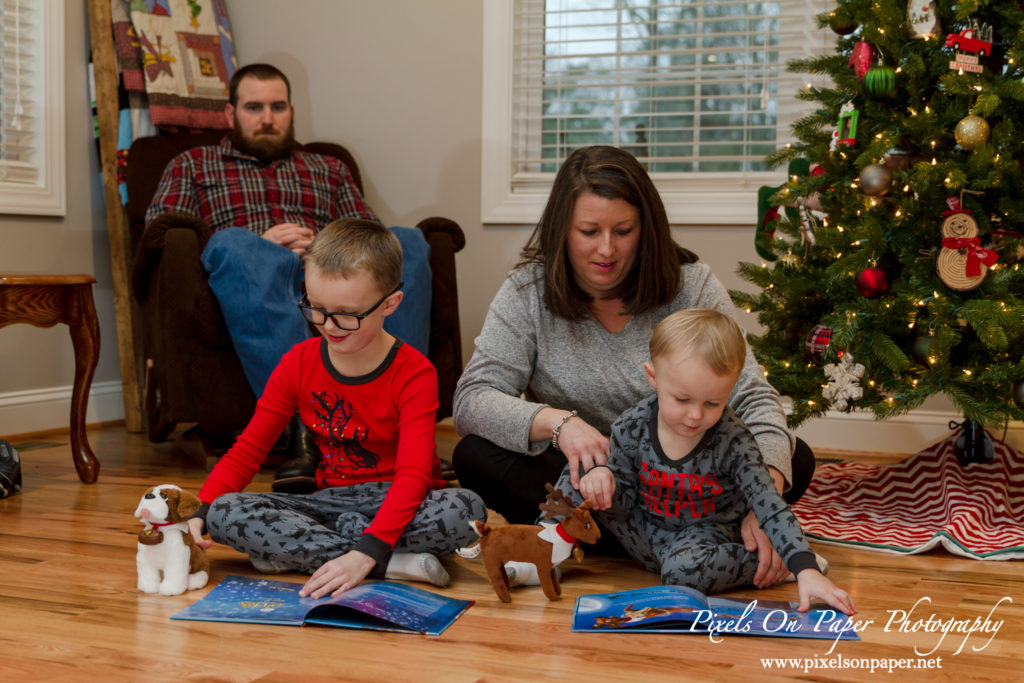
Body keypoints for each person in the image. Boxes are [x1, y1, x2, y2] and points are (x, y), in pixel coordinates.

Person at [453, 145, 815, 588]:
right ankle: (684, 550)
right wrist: (560, 424)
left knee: (792, 457)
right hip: (592, 485)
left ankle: (605, 543)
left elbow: (752, 394)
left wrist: (767, 495)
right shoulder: (528, 290)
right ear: (562, 230)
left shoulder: (691, 284)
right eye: (589, 231)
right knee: (473, 456)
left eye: (623, 230)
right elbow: (472, 400)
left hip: (690, 487)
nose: (606, 249)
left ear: (646, 228)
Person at [145, 63, 432, 491]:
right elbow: (158, 231)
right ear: (230, 114)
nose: (267, 117)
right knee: (235, 245)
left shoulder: (328, 168)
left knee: (407, 240)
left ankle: (406, 426)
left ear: (291, 111)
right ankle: (305, 436)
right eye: (254, 107)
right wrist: (261, 245)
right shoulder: (193, 164)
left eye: (277, 107)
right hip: (245, 275)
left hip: (331, 275)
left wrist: (322, 248)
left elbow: (371, 239)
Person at [186, 219, 486, 597]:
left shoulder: (414, 372)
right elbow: (248, 449)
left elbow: (413, 475)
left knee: (466, 509)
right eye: (315, 309)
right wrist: (201, 509)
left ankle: (316, 554)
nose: (328, 326)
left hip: (400, 499)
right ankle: (391, 564)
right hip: (327, 501)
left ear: (391, 303)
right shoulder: (298, 362)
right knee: (225, 512)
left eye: (347, 314)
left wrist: (370, 545)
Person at [556, 309, 854, 615]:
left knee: (680, 574)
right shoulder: (632, 424)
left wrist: (806, 569)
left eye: (713, 403)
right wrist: (603, 473)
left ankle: (780, 564)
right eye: (682, 400)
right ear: (653, 377)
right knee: (582, 470)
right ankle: (545, 550)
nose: (696, 415)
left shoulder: (734, 441)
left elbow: (769, 504)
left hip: (701, 536)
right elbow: (619, 480)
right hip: (640, 526)